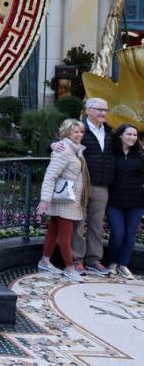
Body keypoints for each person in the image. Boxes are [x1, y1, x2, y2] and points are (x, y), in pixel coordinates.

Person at [53, 97, 116, 276]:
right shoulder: (79, 129)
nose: (103, 113)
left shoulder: (111, 132)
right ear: (88, 110)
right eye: (99, 109)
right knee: (78, 225)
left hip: (102, 186)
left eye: (106, 110)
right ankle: (77, 260)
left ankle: (94, 260)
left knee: (97, 225)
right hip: (81, 185)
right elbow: (59, 144)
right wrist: (52, 145)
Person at [37, 119, 90, 283]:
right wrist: (44, 200)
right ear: (67, 133)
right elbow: (50, 175)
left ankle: (45, 261)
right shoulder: (63, 150)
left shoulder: (75, 150)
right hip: (64, 199)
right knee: (65, 236)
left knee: (54, 231)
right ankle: (69, 268)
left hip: (67, 198)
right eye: (75, 132)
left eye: (81, 131)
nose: (79, 135)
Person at [105, 123, 144, 280]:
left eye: (135, 135)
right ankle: (113, 262)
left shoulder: (141, 154)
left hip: (137, 201)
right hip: (114, 201)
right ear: (120, 135)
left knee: (130, 234)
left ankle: (123, 264)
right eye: (129, 134)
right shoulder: (111, 152)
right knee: (118, 233)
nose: (132, 138)